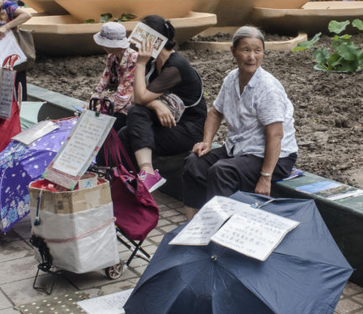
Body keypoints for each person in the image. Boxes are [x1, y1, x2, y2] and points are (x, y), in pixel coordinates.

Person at [183, 26, 298, 220]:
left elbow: (276, 134)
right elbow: (215, 113)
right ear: (233, 51)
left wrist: (265, 177)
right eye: (246, 50)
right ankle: (192, 224)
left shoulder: (267, 88)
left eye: (257, 50)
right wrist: (207, 142)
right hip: (240, 148)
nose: (252, 56)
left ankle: (222, 229)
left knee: (222, 171)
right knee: (194, 162)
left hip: (274, 157)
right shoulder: (231, 79)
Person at [120, 15, 208, 192]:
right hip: (167, 123)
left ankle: (145, 175)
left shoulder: (175, 66)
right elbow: (135, 97)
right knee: (125, 132)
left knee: (132, 125)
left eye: (141, 35)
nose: (135, 40)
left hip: (188, 129)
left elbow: (139, 99)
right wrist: (156, 105)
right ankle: (132, 184)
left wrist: (140, 63)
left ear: (155, 40)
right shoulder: (154, 63)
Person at [90, 22, 139, 132]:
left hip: (130, 106)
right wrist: (95, 98)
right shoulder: (112, 57)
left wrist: (103, 107)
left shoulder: (133, 59)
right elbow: (104, 78)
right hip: (116, 101)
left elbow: (124, 94)